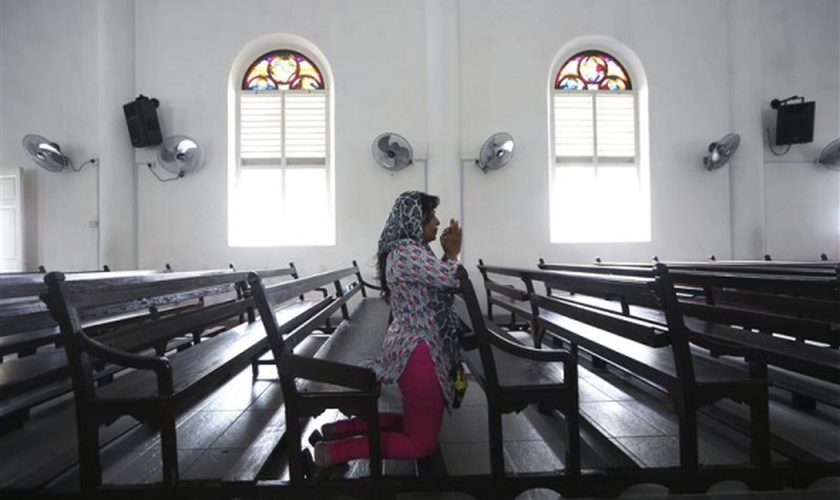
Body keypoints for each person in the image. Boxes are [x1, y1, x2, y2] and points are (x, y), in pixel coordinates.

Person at [312, 190, 463, 469]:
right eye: (431, 217)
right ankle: (334, 453)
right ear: (413, 221)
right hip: (421, 351)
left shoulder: (408, 252)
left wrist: (445, 255)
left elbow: (435, 282)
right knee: (420, 444)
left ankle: (341, 430)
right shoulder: (407, 252)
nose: (438, 223)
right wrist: (453, 254)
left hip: (414, 346)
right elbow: (451, 279)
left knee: (410, 421)